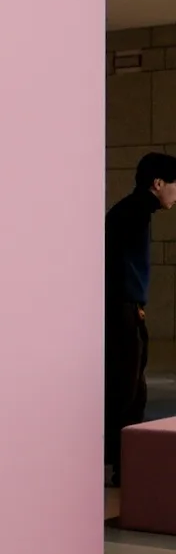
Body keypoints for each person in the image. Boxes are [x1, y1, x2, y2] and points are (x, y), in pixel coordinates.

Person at [106, 152, 176, 481]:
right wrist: (129, 303)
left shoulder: (135, 211)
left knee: (133, 388)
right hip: (122, 310)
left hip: (128, 308)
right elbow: (117, 266)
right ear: (158, 183)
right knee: (127, 390)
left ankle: (125, 464)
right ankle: (122, 464)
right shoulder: (132, 212)